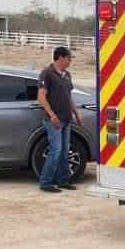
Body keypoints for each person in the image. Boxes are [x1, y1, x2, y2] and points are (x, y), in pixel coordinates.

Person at [37, 45, 80, 193]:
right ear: (61, 58)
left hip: (66, 119)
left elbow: (69, 97)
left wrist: (76, 114)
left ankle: (63, 180)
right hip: (54, 120)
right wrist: (52, 115)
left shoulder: (67, 75)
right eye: (69, 58)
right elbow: (41, 97)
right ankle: (46, 182)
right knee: (56, 150)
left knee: (64, 151)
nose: (70, 61)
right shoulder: (47, 74)